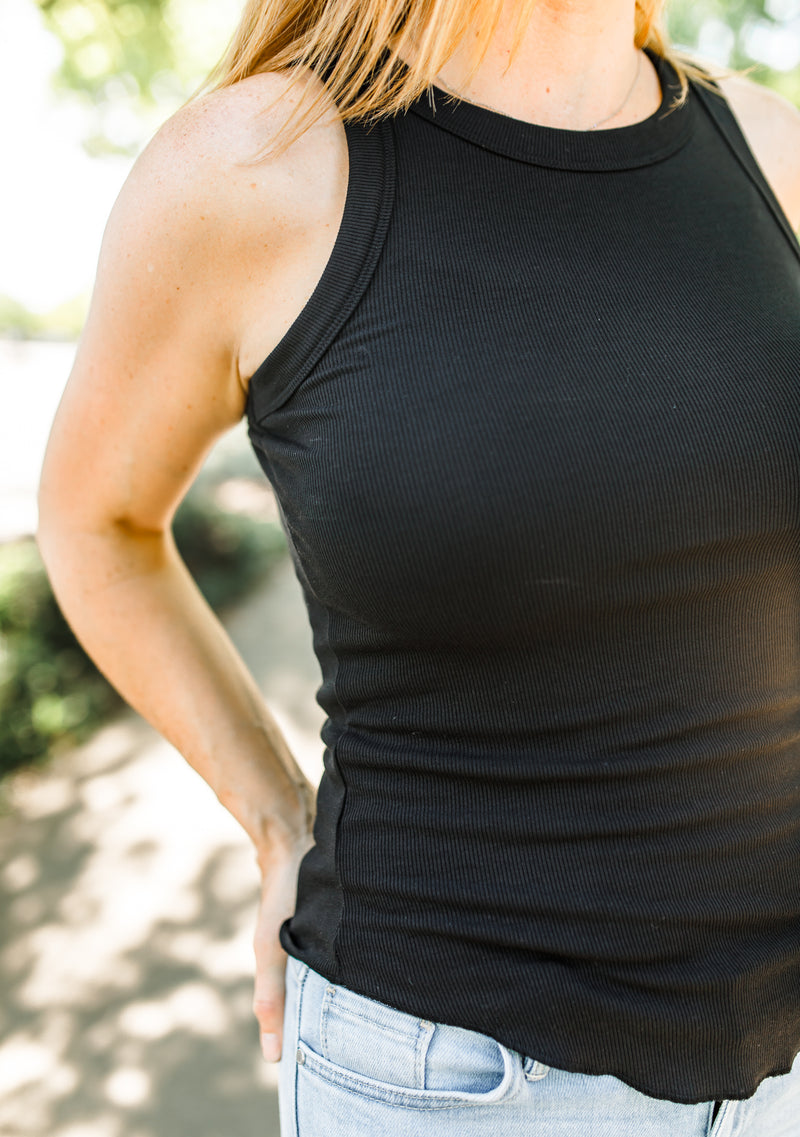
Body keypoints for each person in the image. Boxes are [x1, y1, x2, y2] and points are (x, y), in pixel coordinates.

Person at [36, 0, 800, 1132]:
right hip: (458, 1081)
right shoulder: (257, 165)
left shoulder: (768, 148)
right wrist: (273, 817)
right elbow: (92, 520)